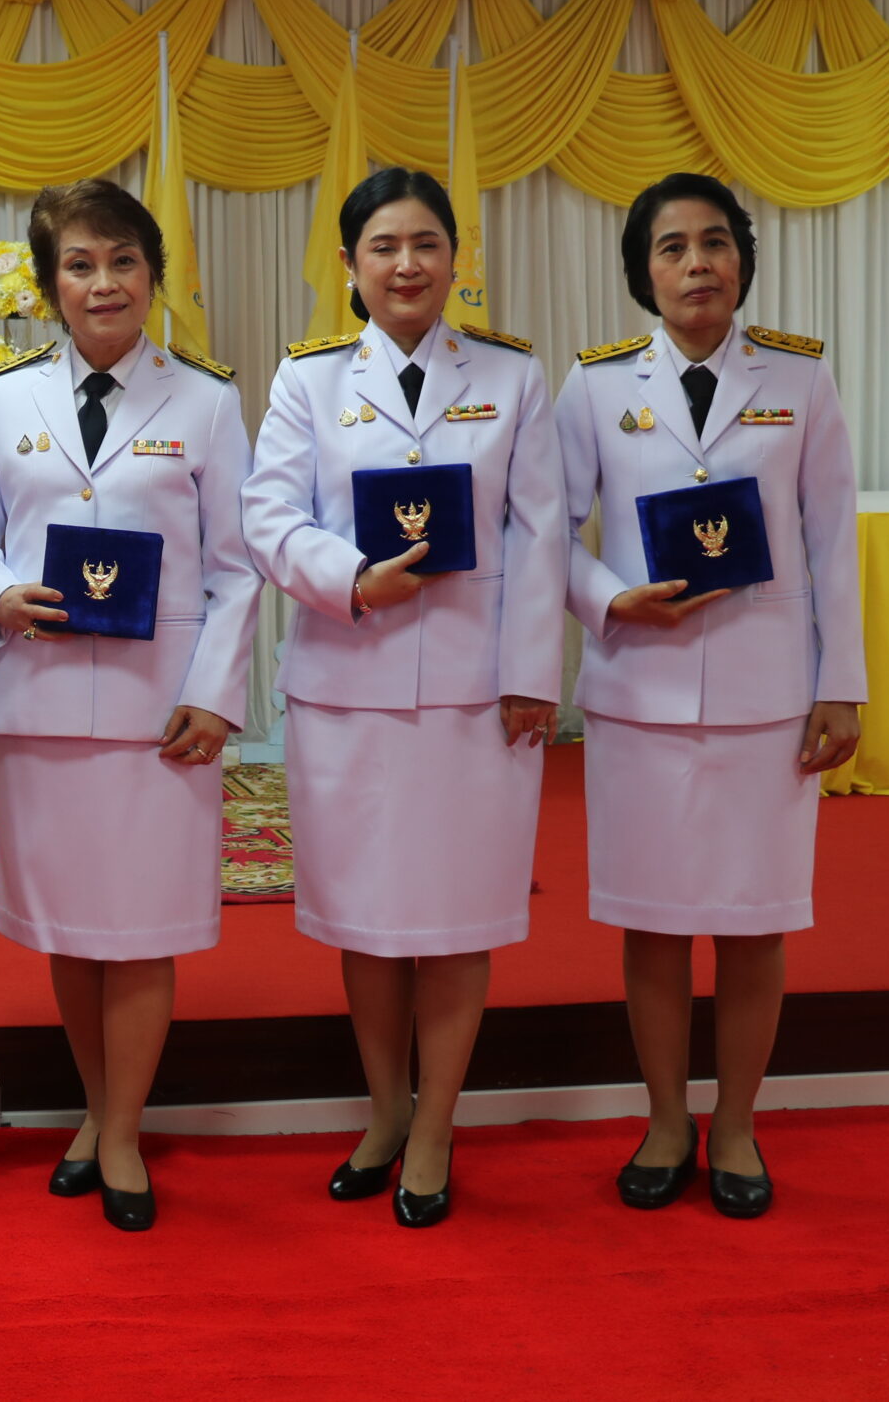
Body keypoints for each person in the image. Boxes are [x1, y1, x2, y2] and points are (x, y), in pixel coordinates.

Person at [240, 166, 565, 1228]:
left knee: (458, 918)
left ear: (454, 258)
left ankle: (437, 1127)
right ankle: (386, 1112)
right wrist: (351, 579)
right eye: (383, 246)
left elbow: (541, 533)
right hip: (349, 687)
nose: (407, 264)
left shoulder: (512, 377)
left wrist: (530, 676)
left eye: (426, 243)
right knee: (368, 919)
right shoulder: (309, 380)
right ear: (349, 264)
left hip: (476, 696)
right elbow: (269, 517)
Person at [0, 179, 256, 1232]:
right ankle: (99, 1107)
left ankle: (120, 1133)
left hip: (158, 716)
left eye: (123, 261)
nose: (104, 282)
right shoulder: (4, 401)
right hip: (39, 708)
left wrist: (215, 695)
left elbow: (238, 567)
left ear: (152, 275)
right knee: (72, 930)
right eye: (79, 265)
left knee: (141, 927)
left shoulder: (206, 402)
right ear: (51, 287)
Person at [555, 172, 863, 1219]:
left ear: (742, 259)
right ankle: (664, 1121)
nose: (698, 264)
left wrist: (840, 683)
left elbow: (833, 538)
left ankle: (733, 1123)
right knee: (650, 925)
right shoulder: (595, 385)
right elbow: (547, 529)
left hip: (765, 695)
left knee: (750, 924)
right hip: (638, 693)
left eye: (716, 243)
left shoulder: (800, 379)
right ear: (643, 273)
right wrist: (609, 597)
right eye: (673, 247)